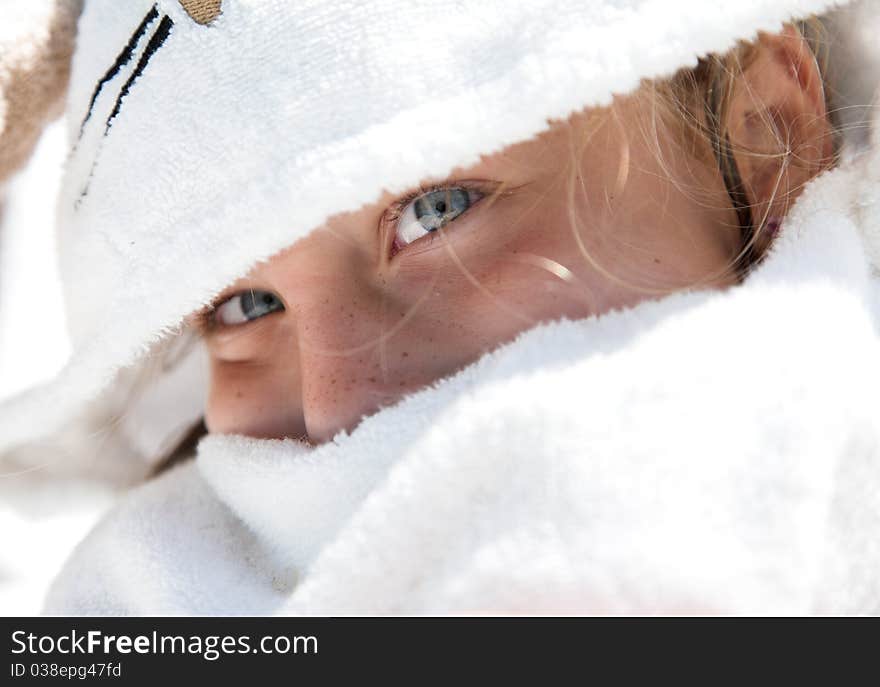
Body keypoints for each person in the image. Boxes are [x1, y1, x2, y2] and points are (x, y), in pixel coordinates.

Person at [2, 0, 879, 614]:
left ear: (766, 135)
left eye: (437, 210)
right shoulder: (145, 590)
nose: (335, 403)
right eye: (243, 306)